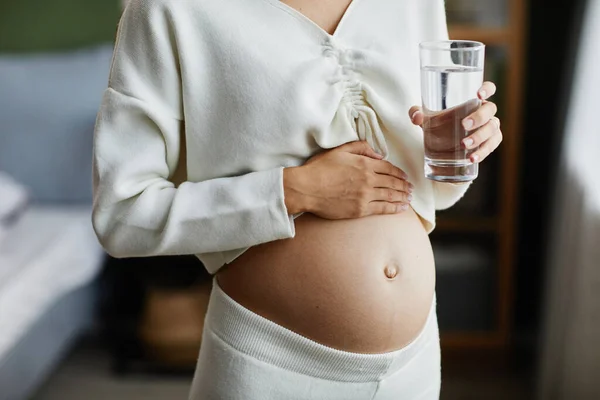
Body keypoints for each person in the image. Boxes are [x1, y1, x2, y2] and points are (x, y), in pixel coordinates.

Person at [92, 0, 503, 398]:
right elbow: (123, 214)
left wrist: (455, 142)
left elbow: (428, 185)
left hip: (414, 365)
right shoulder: (170, 9)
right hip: (271, 367)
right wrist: (294, 190)